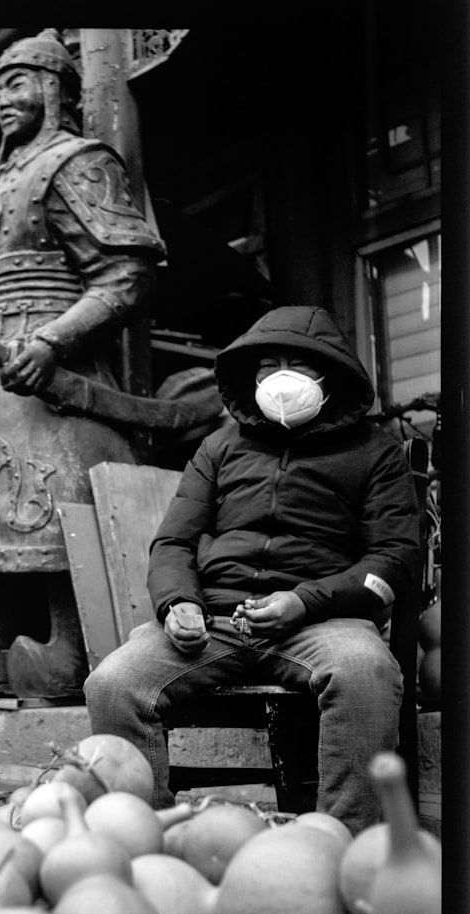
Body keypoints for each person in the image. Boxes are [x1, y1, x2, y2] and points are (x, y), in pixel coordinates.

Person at [84, 305, 422, 834]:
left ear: (330, 376)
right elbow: (173, 541)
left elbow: (395, 558)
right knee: (113, 683)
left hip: (322, 625)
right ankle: (144, 836)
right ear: (251, 377)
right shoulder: (218, 447)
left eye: (300, 366)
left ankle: (344, 843)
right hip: (214, 624)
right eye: (270, 367)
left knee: (365, 671)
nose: (283, 380)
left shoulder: (375, 453)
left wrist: (306, 601)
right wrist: (179, 603)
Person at [0, 29, 166, 698]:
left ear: (55, 88)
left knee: (57, 506)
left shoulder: (78, 161)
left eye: (17, 82)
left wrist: (54, 339)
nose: (3, 98)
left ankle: (72, 642)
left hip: (54, 366)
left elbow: (127, 272)